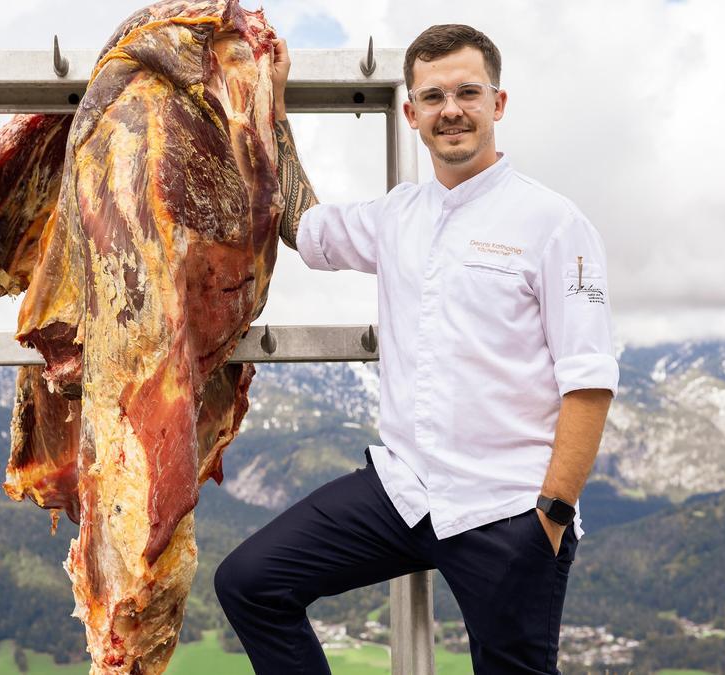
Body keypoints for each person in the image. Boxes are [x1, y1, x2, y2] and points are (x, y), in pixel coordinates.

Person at [215, 24, 618, 675]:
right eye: (433, 97)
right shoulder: (397, 217)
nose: (450, 109)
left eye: (467, 92)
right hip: (403, 491)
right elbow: (303, 227)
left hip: (507, 507)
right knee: (250, 583)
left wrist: (551, 516)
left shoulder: (555, 224)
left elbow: (589, 382)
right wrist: (274, 106)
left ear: (498, 103)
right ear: (411, 113)